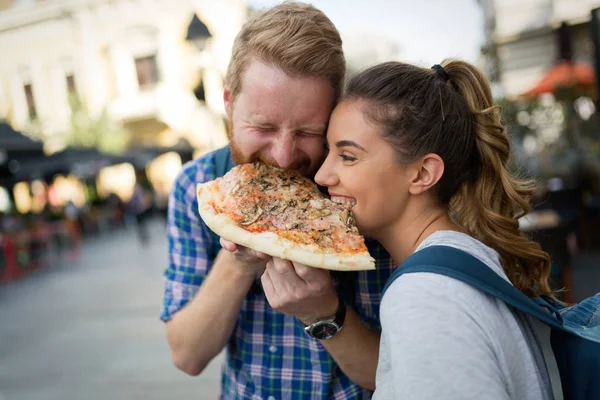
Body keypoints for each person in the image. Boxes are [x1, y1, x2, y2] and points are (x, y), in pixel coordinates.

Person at [161, 3, 394, 399]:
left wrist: (322, 311)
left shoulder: (357, 192)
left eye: (307, 131)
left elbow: (390, 372)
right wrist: (240, 257)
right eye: (263, 127)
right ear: (229, 103)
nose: (284, 156)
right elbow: (187, 355)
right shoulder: (195, 186)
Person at [314, 60, 554, 399]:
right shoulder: (464, 258)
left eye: (348, 157)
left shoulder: (424, 295)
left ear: (422, 174)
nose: (323, 177)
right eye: (328, 152)